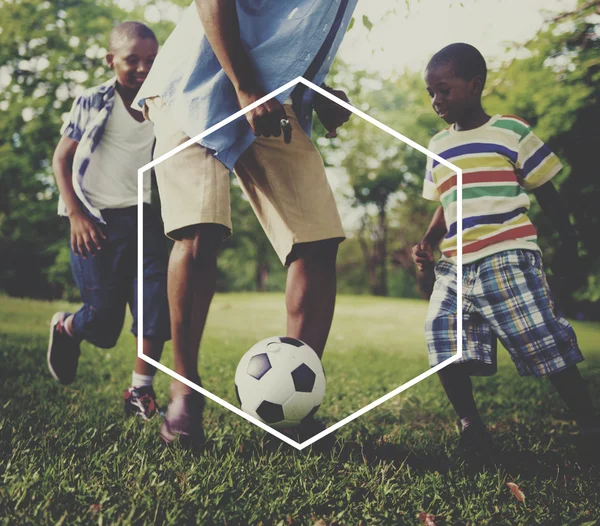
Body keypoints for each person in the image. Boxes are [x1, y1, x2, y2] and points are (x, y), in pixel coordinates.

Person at [133, 0, 358, 446]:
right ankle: (185, 394)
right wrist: (246, 87)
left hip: (272, 95)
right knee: (200, 230)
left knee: (316, 237)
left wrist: (317, 91)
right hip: (194, 83)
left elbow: (285, 31)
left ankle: (296, 404)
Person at [413, 43, 599, 458]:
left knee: (541, 339)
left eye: (443, 89)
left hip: (507, 255)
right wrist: (428, 241)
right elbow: (446, 204)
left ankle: (590, 426)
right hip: (455, 264)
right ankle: (471, 427)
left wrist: (568, 240)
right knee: (443, 338)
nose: (436, 100)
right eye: (431, 92)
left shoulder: (510, 131)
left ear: (475, 84)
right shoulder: (437, 147)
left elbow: (545, 190)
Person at [48, 22, 171, 420]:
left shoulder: (164, 102)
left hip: (146, 220)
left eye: (150, 60)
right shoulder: (93, 100)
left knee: (154, 309)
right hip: (96, 223)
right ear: (111, 60)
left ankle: (140, 392)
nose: (141, 68)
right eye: (131, 60)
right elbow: (61, 159)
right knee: (102, 325)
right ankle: (68, 328)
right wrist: (76, 215)